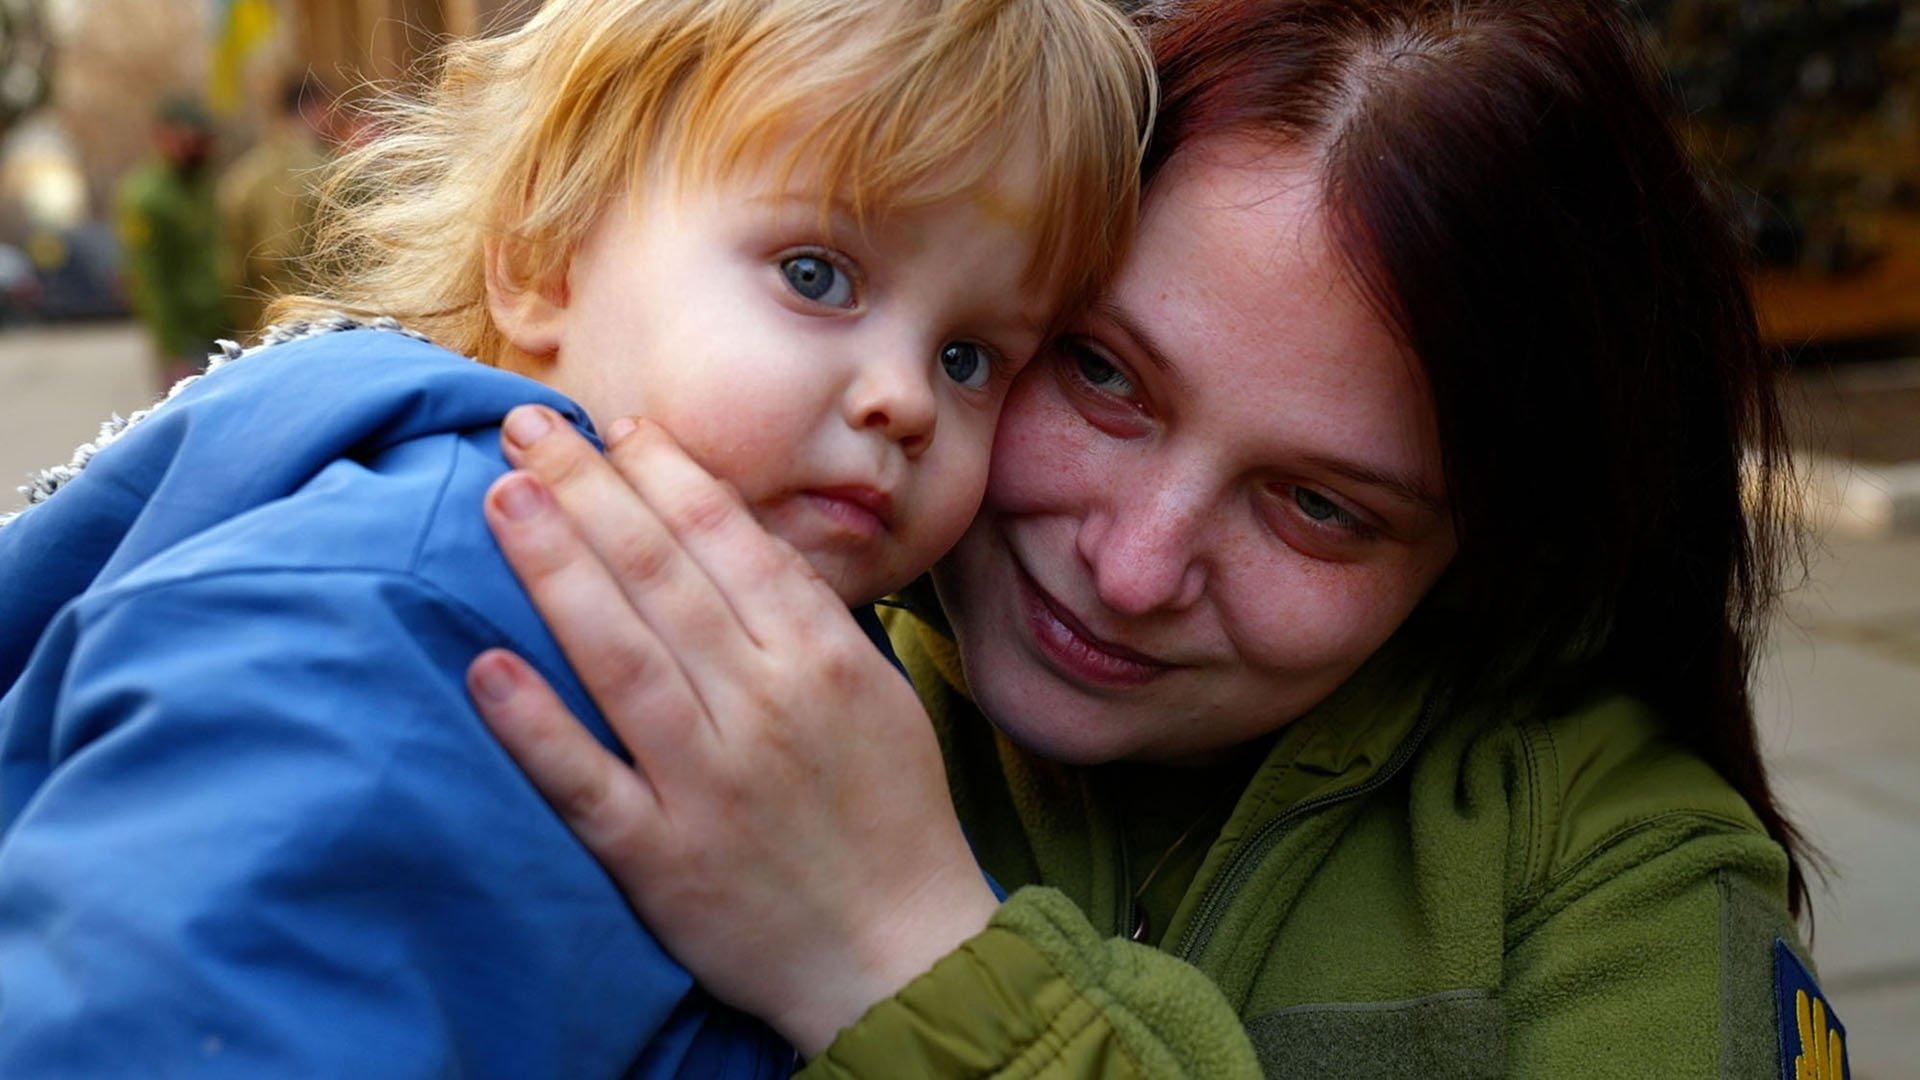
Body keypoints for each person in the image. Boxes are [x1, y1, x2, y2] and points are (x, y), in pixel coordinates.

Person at [464, 0, 1849, 1075]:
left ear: (1486, 558)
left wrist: (911, 961)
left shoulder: (1615, 874)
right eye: (1102, 376)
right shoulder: (616, 638)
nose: (1130, 572)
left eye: (1320, 508)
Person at [0, 0, 1148, 1074]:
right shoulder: (435, 602)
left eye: (972, 358)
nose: (906, 398)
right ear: (545, 256)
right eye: (818, 275)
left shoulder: (770, 650)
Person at [115, 96, 228, 388]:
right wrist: (172, 350)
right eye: (187, 139)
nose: (197, 148)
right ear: (163, 137)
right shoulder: (148, 198)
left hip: (224, 323)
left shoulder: (205, 184)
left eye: (202, 140)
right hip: (187, 337)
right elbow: (151, 282)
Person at [218, 78, 334, 339]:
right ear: (317, 109)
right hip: (321, 314)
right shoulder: (329, 171)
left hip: (263, 315)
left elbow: (233, 268)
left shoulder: (242, 176)